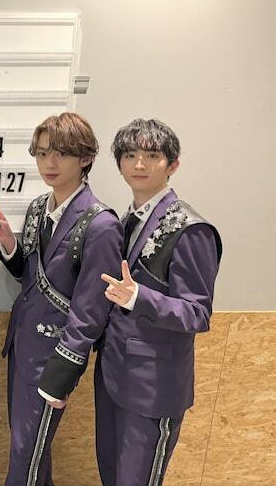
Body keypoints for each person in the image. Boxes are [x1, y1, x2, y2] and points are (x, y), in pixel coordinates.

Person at [0, 112, 122, 486]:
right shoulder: (37, 209)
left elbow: (91, 311)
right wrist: (9, 244)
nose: (49, 163)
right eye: (42, 153)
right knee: (29, 453)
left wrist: (61, 376)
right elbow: (29, 278)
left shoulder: (101, 225)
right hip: (22, 347)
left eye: (61, 153)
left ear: (85, 157)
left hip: (53, 357)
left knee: (25, 459)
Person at [95, 118, 222, 486]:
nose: (139, 164)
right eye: (130, 155)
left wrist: (138, 297)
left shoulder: (190, 228)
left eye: (152, 156)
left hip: (154, 388)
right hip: (113, 377)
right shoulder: (125, 220)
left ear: (173, 164)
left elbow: (197, 313)